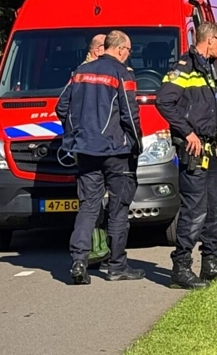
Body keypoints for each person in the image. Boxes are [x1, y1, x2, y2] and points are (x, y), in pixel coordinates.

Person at [56, 30, 143, 285]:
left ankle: (79, 261)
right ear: (119, 49)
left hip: (85, 150)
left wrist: (74, 134)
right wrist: (136, 144)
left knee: (88, 206)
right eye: (128, 51)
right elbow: (129, 114)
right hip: (116, 151)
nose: (129, 56)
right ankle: (117, 266)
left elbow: (61, 107)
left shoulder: (80, 72)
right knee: (118, 209)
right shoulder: (121, 73)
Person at [157, 22, 217, 289]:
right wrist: (187, 132)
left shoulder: (208, 66)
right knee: (194, 211)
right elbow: (164, 101)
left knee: (214, 208)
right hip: (193, 150)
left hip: (211, 148)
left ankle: (211, 263)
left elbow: (214, 106)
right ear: (210, 40)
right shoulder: (185, 66)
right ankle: (181, 269)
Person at [80, 33, 111, 268]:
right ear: (96, 49)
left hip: (88, 144)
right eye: (104, 46)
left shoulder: (85, 72)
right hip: (97, 146)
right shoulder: (88, 73)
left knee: (95, 202)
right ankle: (93, 251)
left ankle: (98, 248)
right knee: (92, 203)